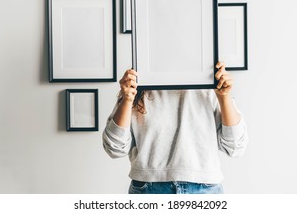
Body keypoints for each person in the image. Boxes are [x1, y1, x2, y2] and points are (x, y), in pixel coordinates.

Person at [102, 62, 248, 194]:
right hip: (150, 189)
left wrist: (224, 97)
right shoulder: (135, 89)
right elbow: (115, 148)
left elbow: (235, 146)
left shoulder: (211, 85)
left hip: (205, 190)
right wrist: (127, 100)